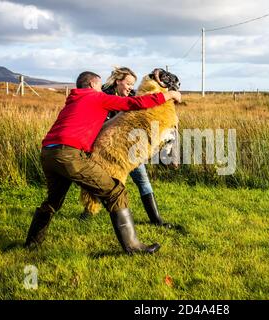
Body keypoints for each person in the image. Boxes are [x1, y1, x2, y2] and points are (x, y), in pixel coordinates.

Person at [24, 71, 182, 255]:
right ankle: (133, 247)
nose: (101, 90)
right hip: (69, 154)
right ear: (92, 85)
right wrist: (168, 94)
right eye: (99, 86)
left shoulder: (73, 101)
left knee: (53, 201)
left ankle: (31, 244)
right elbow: (134, 103)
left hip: (48, 153)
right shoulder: (96, 97)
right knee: (115, 191)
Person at [97, 67, 173, 228]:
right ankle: (88, 213)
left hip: (131, 149)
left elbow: (148, 102)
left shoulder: (133, 97)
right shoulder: (104, 97)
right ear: (118, 81)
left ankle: (156, 219)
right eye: (128, 83)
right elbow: (99, 124)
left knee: (143, 180)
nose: (131, 87)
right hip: (110, 150)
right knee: (105, 182)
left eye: (133, 84)